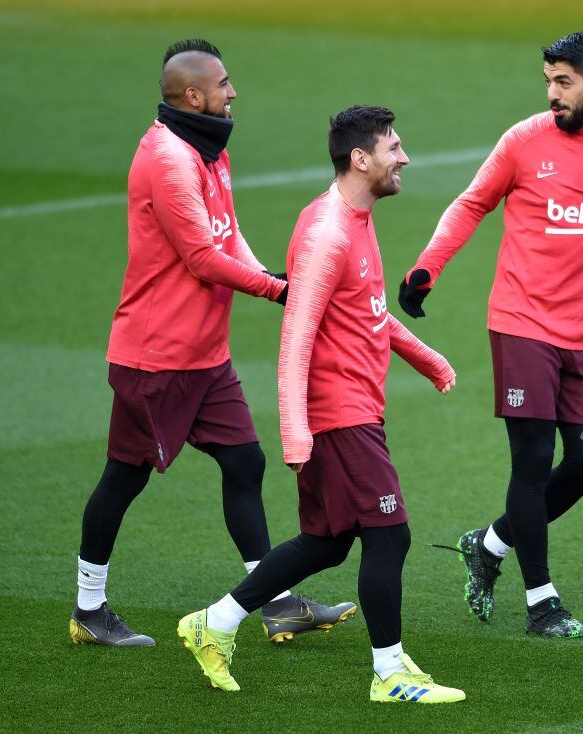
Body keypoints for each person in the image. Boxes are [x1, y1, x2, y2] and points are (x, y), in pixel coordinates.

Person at [398, 31, 583, 638]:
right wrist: (427, 266)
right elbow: (472, 203)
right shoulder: (524, 141)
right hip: (522, 324)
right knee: (531, 463)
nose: (552, 94)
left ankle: (491, 543)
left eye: (564, 82)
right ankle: (542, 601)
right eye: (548, 82)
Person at [69, 39, 354, 648]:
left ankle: (274, 602)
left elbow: (228, 234)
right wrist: (279, 294)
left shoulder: (209, 148)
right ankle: (89, 609)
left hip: (205, 355)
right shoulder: (166, 158)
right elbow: (201, 258)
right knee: (124, 477)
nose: (233, 92)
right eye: (224, 83)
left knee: (244, 461)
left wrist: (276, 277)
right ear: (193, 94)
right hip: (155, 357)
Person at [177, 106, 465, 703]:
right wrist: (294, 432)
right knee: (390, 534)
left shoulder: (357, 217)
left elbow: (370, 312)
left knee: (329, 541)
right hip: (340, 412)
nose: (404, 157)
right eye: (394, 147)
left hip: (357, 405)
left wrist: (427, 358)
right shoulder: (327, 231)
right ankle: (390, 674)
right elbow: (297, 335)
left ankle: (216, 622)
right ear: (361, 159)